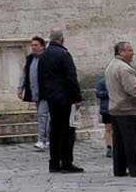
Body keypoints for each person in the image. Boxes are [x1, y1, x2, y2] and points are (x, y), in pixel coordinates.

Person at [37, 29, 84, 173]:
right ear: (62, 39)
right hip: (65, 98)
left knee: (55, 130)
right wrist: (77, 97)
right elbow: (71, 77)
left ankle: (54, 163)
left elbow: (40, 78)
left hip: (51, 99)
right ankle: (66, 163)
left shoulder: (43, 55)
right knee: (67, 130)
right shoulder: (64, 54)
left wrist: (44, 96)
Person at [104, 41, 136, 178]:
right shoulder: (124, 69)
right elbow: (133, 91)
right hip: (127, 109)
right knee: (132, 141)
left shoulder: (111, 66)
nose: (133, 53)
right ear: (121, 52)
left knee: (119, 142)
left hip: (116, 109)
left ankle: (119, 168)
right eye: (130, 50)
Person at [18, 35, 48, 150]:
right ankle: (47, 138)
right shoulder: (30, 58)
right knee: (44, 116)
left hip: (45, 92)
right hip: (35, 92)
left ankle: (42, 140)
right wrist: (20, 88)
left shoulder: (46, 58)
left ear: (42, 46)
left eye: (36, 45)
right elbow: (25, 74)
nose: (33, 47)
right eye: (32, 45)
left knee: (43, 115)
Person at [94, 77, 111, 158]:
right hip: (106, 109)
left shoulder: (118, 80)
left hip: (118, 108)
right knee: (108, 129)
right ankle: (109, 147)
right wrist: (108, 93)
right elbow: (98, 93)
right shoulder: (102, 82)